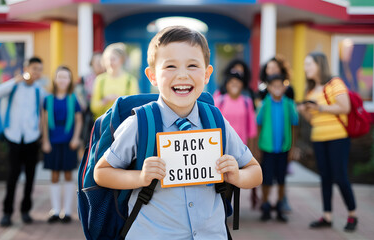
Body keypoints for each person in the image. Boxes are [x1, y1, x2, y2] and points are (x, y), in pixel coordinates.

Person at [93, 26, 262, 239]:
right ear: (152, 76)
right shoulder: (140, 123)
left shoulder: (215, 120)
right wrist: (141, 177)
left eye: (192, 65)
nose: (182, 75)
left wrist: (237, 176)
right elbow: (101, 173)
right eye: (170, 66)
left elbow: (255, 172)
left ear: (207, 74)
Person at [297, 52, 357, 232]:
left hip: (338, 138)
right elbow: (313, 120)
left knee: (340, 177)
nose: (306, 68)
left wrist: (319, 107)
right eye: (305, 64)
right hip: (319, 138)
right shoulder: (310, 90)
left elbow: (345, 107)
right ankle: (327, 216)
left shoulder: (335, 83)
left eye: (309, 64)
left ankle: (352, 215)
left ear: (319, 64)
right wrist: (304, 110)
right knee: (325, 178)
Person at [0, 57, 46, 227]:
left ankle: (25, 211)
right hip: (13, 137)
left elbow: (44, 113)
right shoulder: (13, 86)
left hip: (32, 138)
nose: (36, 72)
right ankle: (7, 213)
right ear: (26, 68)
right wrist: (15, 80)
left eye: (39, 69)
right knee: (12, 176)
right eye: (34, 68)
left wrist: (41, 136)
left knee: (30, 177)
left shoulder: (39, 91)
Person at [42, 66, 82, 223]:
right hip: (52, 142)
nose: (62, 80)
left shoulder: (73, 99)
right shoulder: (48, 99)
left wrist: (76, 138)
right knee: (54, 174)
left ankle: (67, 211)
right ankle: (56, 210)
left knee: (67, 174)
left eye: (66, 77)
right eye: (60, 77)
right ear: (55, 79)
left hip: (68, 142)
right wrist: (45, 140)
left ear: (70, 80)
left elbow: (78, 120)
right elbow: (44, 122)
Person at [256, 74, 299, 222]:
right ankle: (266, 205)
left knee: (281, 180)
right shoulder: (265, 104)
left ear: (284, 87)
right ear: (268, 88)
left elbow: (294, 125)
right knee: (266, 180)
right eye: (273, 86)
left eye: (279, 86)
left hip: (283, 149)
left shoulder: (288, 104)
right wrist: (257, 149)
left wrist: (292, 148)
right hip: (267, 149)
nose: (277, 89)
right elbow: (258, 124)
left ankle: (280, 206)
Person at [214, 72, 258, 206]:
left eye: (237, 82)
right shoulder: (220, 101)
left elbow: (251, 128)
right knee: (223, 181)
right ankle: (222, 209)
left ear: (242, 85)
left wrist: (253, 150)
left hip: (240, 150)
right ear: (226, 85)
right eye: (231, 82)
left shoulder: (246, 102)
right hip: (222, 148)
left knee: (233, 181)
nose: (234, 85)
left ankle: (227, 207)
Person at [90, 43, 138, 119]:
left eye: (113, 59)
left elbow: (135, 105)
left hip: (123, 124)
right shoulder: (100, 80)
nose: (110, 62)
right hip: (103, 125)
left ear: (121, 60)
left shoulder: (130, 80)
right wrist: (105, 101)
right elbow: (93, 107)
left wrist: (119, 100)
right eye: (107, 59)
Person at [75, 52, 105, 145]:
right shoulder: (83, 78)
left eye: (102, 61)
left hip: (103, 113)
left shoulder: (108, 78)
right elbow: (79, 96)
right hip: (87, 116)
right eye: (97, 62)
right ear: (92, 64)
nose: (100, 64)